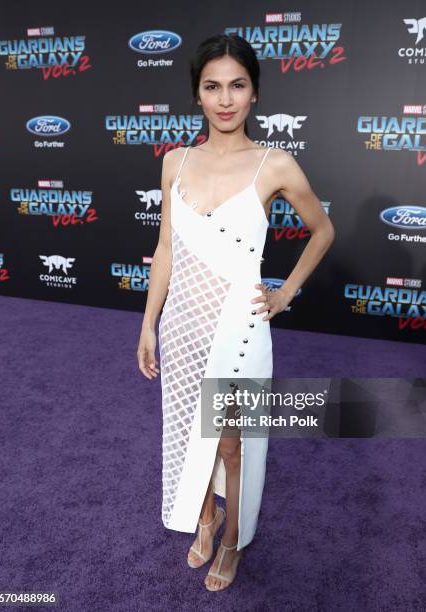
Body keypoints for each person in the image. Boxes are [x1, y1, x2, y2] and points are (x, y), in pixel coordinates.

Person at [137, 33, 335, 592]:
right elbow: (168, 249)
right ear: (197, 95)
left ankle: (232, 540)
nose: (225, 99)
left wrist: (284, 292)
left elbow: (322, 231)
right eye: (212, 86)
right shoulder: (175, 162)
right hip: (182, 324)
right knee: (185, 431)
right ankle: (204, 517)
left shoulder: (274, 164)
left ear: (254, 94)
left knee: (230, 440)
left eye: (237, 85)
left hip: (240, 329)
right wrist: (149, 322)